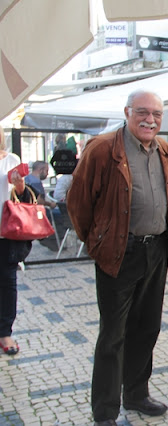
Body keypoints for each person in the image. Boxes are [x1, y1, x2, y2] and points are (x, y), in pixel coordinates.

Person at [67, 89, 168, 425]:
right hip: (120, 251)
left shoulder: (163, 149)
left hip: (156, 248)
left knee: (148, 327)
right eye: (143, 112)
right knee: (113, 334)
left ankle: (136, 393)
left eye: (156, 114)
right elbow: (78, 202)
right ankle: (105, 410)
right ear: (127, 112)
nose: (150, 120)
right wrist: (98, 241)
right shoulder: (103, 148)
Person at [0, 126, 33, 356]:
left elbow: (21, 195)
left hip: (7, 232)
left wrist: (20, 185)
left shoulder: (11, 160)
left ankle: (5, 332)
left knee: (7, 282)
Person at [25, 161, 58, 250]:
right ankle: (54, 241)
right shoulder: (36, 182)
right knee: (58, 215)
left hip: (28, 211)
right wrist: (50, 204)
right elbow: (39, 201)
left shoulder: (27, 178)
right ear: (40, 170)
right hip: (37, 212)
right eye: (47, 171)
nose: (47, 174)